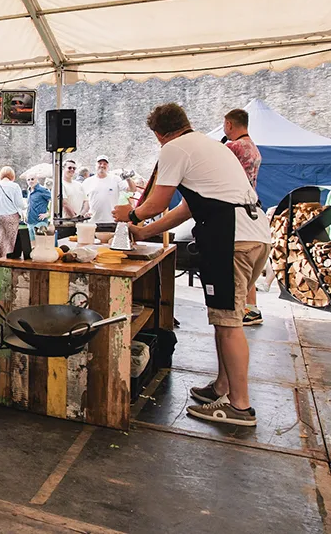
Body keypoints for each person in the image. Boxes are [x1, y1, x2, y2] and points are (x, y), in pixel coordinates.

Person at [114, 103, 271, 428]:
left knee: (228, 322)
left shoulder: (174, 148)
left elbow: (156, 202)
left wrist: (129, 215)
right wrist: (144, 232)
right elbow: (186, 207)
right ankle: (222, 387)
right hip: (257, 235)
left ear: (159, 133)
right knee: (223, 316)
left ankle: (240, 407)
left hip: (231, 238)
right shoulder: (212, 147)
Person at [223, 107, 265, 326]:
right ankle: (252, 308)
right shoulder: (253, 147)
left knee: (238, 270)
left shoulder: (233, 146)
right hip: (252, 205)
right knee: (249, 271)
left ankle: (237, 313)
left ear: (229, 124)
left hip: (235, 208)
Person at [83, 156, 136, 224]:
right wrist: (84, 213)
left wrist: (128, 178)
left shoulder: (115, 179)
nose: (102, 165)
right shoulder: (88, 181)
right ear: (95, 165)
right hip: (93, 221)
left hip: (112, 221)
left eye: (105, 164)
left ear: (108, 166)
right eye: (100, 163)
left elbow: (133, 189)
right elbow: (84, 200)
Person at [0, 167, 25, 258]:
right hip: (12, 216)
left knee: (2, 239)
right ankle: (10, 258)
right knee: (11, 240)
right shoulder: (15, 186)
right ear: (12, 175)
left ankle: (0, 257)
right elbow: (20, 203)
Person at [26, 174, 52, 239]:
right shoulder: (29, 190)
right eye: (28, 180)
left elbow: (55, 201)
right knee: (32, 245)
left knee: (41, 244)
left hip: (40, 223)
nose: (30, 181)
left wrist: (48, 214)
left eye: (32, 179)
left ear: (37, 180)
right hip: (30, 222)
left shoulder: (43, 190)